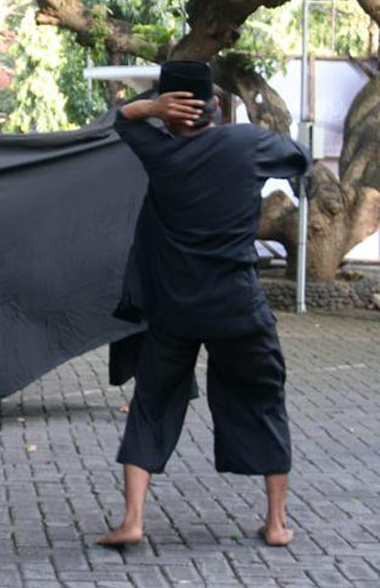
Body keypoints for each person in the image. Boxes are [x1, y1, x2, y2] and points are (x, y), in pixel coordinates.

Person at [99, 61, 310, 549]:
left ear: (170, 111)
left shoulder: (160, 152)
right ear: (214, 106)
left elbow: (122, 120)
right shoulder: (247, 143)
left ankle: (132, 520)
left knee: (151, 403)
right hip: (238, 308)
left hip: (174, 311)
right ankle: (276, 523)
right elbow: (298, 157)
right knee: (264, 400)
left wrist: (151, 109)